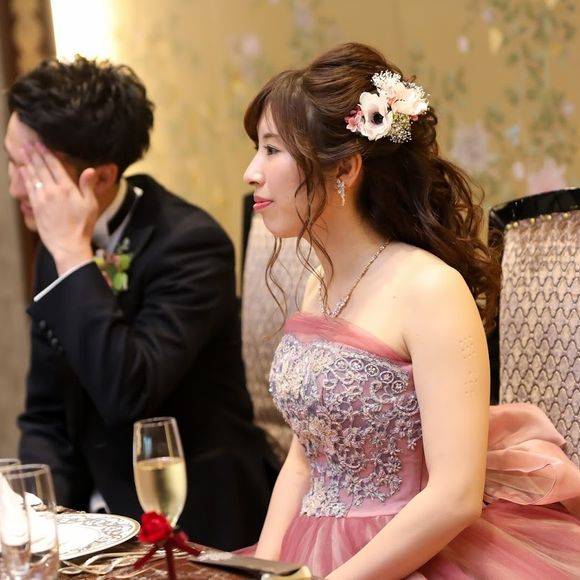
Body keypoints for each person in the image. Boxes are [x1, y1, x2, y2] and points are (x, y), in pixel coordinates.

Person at [241, 42, 580, 578]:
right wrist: (264, 569)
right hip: (310, 546)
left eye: (271, 150)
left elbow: (455, 497)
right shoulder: (317, 284)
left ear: (345, 167)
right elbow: (304, 462)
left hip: (414, 548)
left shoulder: (430, 289)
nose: (251, 172)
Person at [5, 55, 278, 551]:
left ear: (100, 176)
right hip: (90, 519)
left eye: (29, 168)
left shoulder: (191, 244)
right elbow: (46, 413)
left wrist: (73, 257)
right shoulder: (55, 249)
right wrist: (40, 524)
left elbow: (129, 391)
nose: (13, 186)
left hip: (194, 520)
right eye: (10, 161)